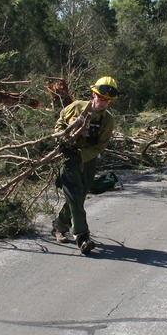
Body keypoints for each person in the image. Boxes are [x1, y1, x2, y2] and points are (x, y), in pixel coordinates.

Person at [52, 76, 118, 254]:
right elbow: (60, 122)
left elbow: (101, 145)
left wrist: (82, 155)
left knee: (81, 194)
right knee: (73, 193)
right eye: (101, 98)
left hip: (88, 157)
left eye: (107, 100)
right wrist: (62, 137)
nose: (103, 103)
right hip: (68, 157)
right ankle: (82, 236)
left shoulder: (107, 120)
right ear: (93, 94)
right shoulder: (76, 107)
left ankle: (59, 225)